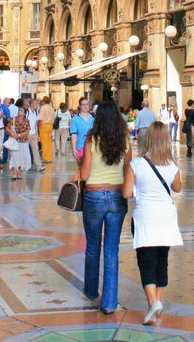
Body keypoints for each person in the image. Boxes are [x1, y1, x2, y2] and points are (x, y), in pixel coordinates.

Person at [122, 122, 183, 325]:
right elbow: (178, 188)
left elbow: (126, 192)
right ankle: (155, 303)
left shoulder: (137, 165)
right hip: (166, 216)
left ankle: (153, 302)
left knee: (145, 260)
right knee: (162, 260)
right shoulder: (171, 165)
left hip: (145, 216)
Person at [78, 101, 131, 314]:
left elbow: (84, 175)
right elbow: (129, 169)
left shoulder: (91, 140)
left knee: (92, 245)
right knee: (112, 249)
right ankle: (109, 302)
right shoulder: (124, 141)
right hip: (117, 196)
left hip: (94, 195)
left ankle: (91, 291)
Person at [7, 106, 32, 180]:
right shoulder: (13, 119)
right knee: (14, 157)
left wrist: (19, 135)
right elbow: (7, 128)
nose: (19, 111)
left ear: (24, 113)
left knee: (22, 157)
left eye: (21, 110)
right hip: (14, 141)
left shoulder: (26, 120)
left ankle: (19, 172)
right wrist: (12, 134)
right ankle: (14, 173)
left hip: (23, 141)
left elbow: (27, 131)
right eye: (19, 110)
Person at [69, 97, 95, 162]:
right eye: (83, 105)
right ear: (80, 106)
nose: (85, 106)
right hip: (80, 148)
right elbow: (74, 135)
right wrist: (74, 149)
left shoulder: (93, 118)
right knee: (82, 169)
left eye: (87, 104)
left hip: (92, 148)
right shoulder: (75, 119)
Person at [27, 99, 44, 172]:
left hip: (33, 134)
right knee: (25, 150)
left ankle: (39, 166)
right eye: (35, 104)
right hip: (26, 133)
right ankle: (23, 165)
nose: (37, 105)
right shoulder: (27, 112)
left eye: (37, 104)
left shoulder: (36, 112)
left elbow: (36, 124)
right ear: (31, 104)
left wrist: (37, 135)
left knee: (36, 149)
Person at [38, 96, 56, 164]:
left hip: (44, 125)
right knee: (49, 142)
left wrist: (39, 126)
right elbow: (53, 118)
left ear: (43, 101)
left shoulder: (43, 108)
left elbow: (41, 119)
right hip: (50, 125)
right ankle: (50, 157)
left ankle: (46, 158)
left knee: (44, 142)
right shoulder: (51, 108)